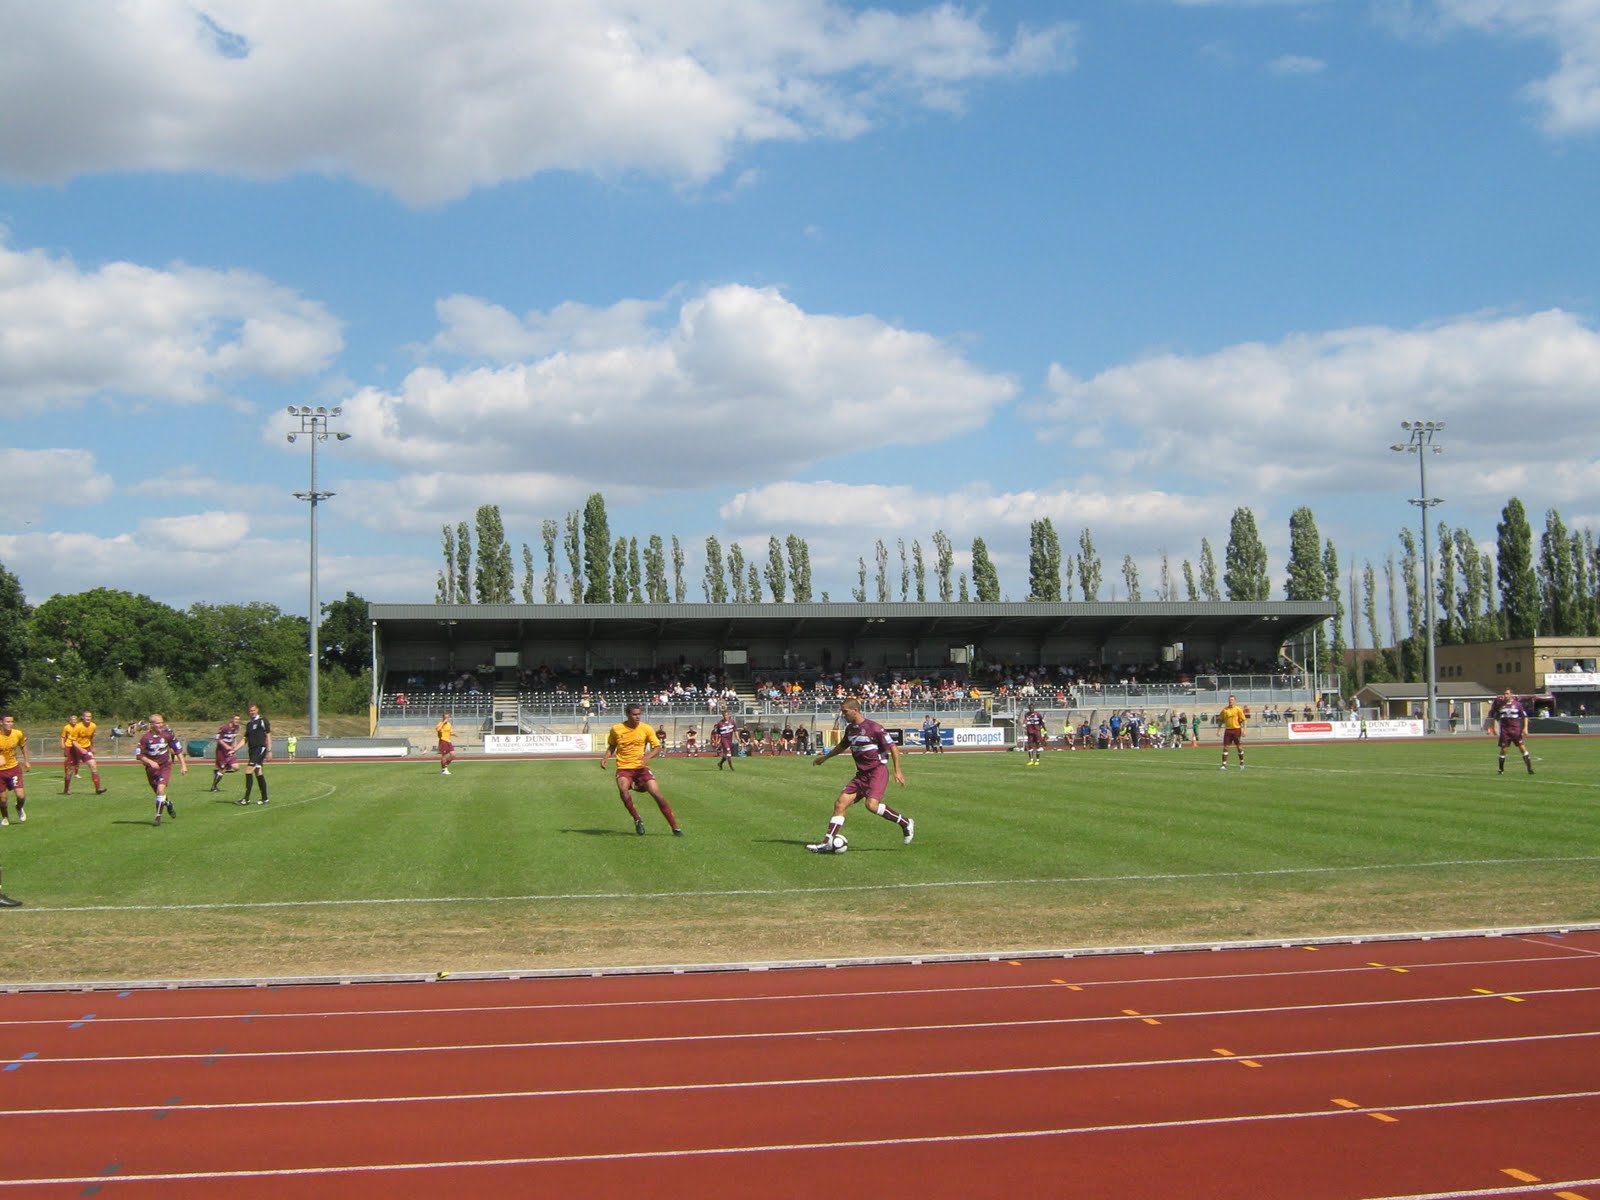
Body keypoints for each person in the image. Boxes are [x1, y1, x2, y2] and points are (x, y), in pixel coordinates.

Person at [807, 698, 913, 853]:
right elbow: (842, 746)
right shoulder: (850, 729)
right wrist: (825, 757)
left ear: (855, 710)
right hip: (861, 774)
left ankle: (905, 823)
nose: (842, 715)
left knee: (871, 805)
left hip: (877, 771)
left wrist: (898, 771)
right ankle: (827, 842)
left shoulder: (875, 728)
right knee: (840, 803)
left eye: (845, 711)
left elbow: (894, 749)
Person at [599, 704, 683, 836]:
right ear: (627, 714)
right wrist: (605, 757)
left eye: (639, 714)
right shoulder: (616, 729)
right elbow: (612, 745)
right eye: (634, 714)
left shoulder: (646, 728)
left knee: (658, 795)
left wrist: (647, 757)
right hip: (624, 767)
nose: (637, 717)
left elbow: (657, 747)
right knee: (623, 790)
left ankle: (675, 827)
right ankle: (637, 819)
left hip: (641, 768)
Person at [136, 713, 186, 825]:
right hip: (151, 769)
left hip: (165, 766)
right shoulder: (145, 738)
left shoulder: (167, 735)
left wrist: (183, 765)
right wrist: (150, 762)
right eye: (158, 723)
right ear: (152, 724)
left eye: (162, 722)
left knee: (160, 790)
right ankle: (168, 803)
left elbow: (178, 750)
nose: (160, 725)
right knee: (159, 793)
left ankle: (158, 817)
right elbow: (139, 755)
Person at [1485, 687, 1534, 775]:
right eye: (1504, 694)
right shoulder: (1501, 705)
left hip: (1516, 730)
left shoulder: (1517, 705)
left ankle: (1529, 768)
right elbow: (1496, 718)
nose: (1505, 695)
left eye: (1507, 693)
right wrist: (1495, 728)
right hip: (1505, 731)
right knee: (1503, 750)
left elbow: (1524, 717)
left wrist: (1525, 728)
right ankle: (1501, 769)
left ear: (1511, 694)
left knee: (1522, 748)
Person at [61, 710, 108, 796]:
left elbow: (91, 737)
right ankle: (66, 789)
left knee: (93, 765)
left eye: (90, 717)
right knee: (70, 770)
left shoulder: (93, 726)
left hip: (87, 748)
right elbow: (73, 741)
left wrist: (92, 747)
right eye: (86, 717)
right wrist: (81, 749)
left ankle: (98, 788)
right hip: (75, 749)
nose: (88, 718)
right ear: (82, 717)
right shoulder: (77, 727)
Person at [0, 714, 31, 826]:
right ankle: (5, 817)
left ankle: (19, 807)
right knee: (3, 799)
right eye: (7, 722)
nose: (10, 724)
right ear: (1, 722)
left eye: (11, 722)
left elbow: (23, 745)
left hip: (14, 769)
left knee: (21, 796)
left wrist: (26, 761)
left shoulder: (17, 733)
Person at [239, 703, 272, 805]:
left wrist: (269, 751)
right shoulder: (249, 724)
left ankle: (246, 798)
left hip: (260, 749)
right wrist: (234, 749)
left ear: (257, 710)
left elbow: (268, 735)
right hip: (252, 750)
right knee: (258, 772)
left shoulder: (263, 720)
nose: (252, 712)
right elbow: (245, 739)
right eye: (250, 711)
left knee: (248, 771)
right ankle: (265, 798)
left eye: (253, 710)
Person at [210, 714, 241, 792]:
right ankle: (214, 786)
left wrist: (234, 747)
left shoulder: (237, 727)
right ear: (231, 719)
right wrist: (226, 746)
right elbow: (217, 738)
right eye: (235, 719)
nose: (237, 721)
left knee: (236, 767)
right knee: (222, 769)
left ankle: (218, 772)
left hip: (230, 751)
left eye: (238, 719)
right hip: (221, 751)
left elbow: (235, 738)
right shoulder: (225, 728)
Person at [1218, 693, 1246, 771]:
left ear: (1235, 701)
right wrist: (1218, 730)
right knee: (1225, 747)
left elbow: (1244, 720)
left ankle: (1242, 762)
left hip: (1236, 730)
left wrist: (1244, 730)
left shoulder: (1238, 709)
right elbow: (1220, 720)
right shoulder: (1225, 710)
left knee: (1239, 747)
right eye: (1229, 700)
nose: (1230, 701)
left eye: (1232, 700)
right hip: (1228, 730)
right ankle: (1224, 765)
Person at [436, 711, 455, 776]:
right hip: (443, 740)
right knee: (444, 756)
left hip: (448, 741)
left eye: (448, 717)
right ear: (443, 718)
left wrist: (453, 734)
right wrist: (443, 723)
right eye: (445, 717)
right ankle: (444, 770)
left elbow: (449, 732)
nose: (447, 719)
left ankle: (445, 766)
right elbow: (438, 729)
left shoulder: (449, 724)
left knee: (453, 755)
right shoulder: (440, 723)